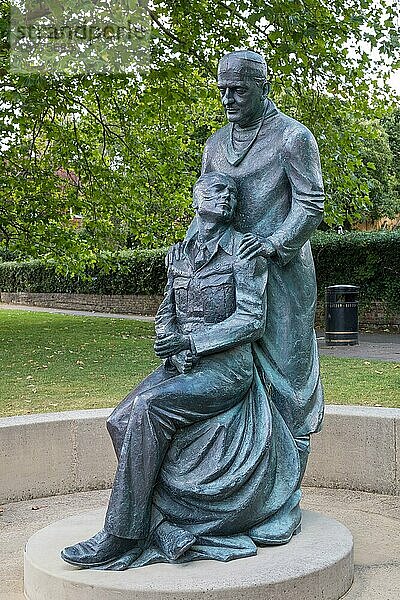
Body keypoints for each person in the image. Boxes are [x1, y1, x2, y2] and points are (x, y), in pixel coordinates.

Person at [61, 172, 300, 570]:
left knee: (149, 408)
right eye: (216, 190)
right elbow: (166, 313)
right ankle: (161, 524)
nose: (225, 198)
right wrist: (169, 342)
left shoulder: (244, 251)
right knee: (119, 419)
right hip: (183, 365)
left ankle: (119, 534)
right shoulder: (178, 254)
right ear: (196, 198)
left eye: (232, 194)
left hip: (226, 370)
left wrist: (194, 343)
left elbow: (251, 319)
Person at [197, 49, 325, 543]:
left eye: (239, 89)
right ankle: (250, 495)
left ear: (263, 87)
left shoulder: (294, 138)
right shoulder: (215, 144)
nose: (228, 97)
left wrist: (272, 243)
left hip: (286, 280)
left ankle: (286, 504)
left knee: (289, 388)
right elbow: (209, 201)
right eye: (223, 88)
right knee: (240, 382)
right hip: (232, 277)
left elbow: (310, 204)